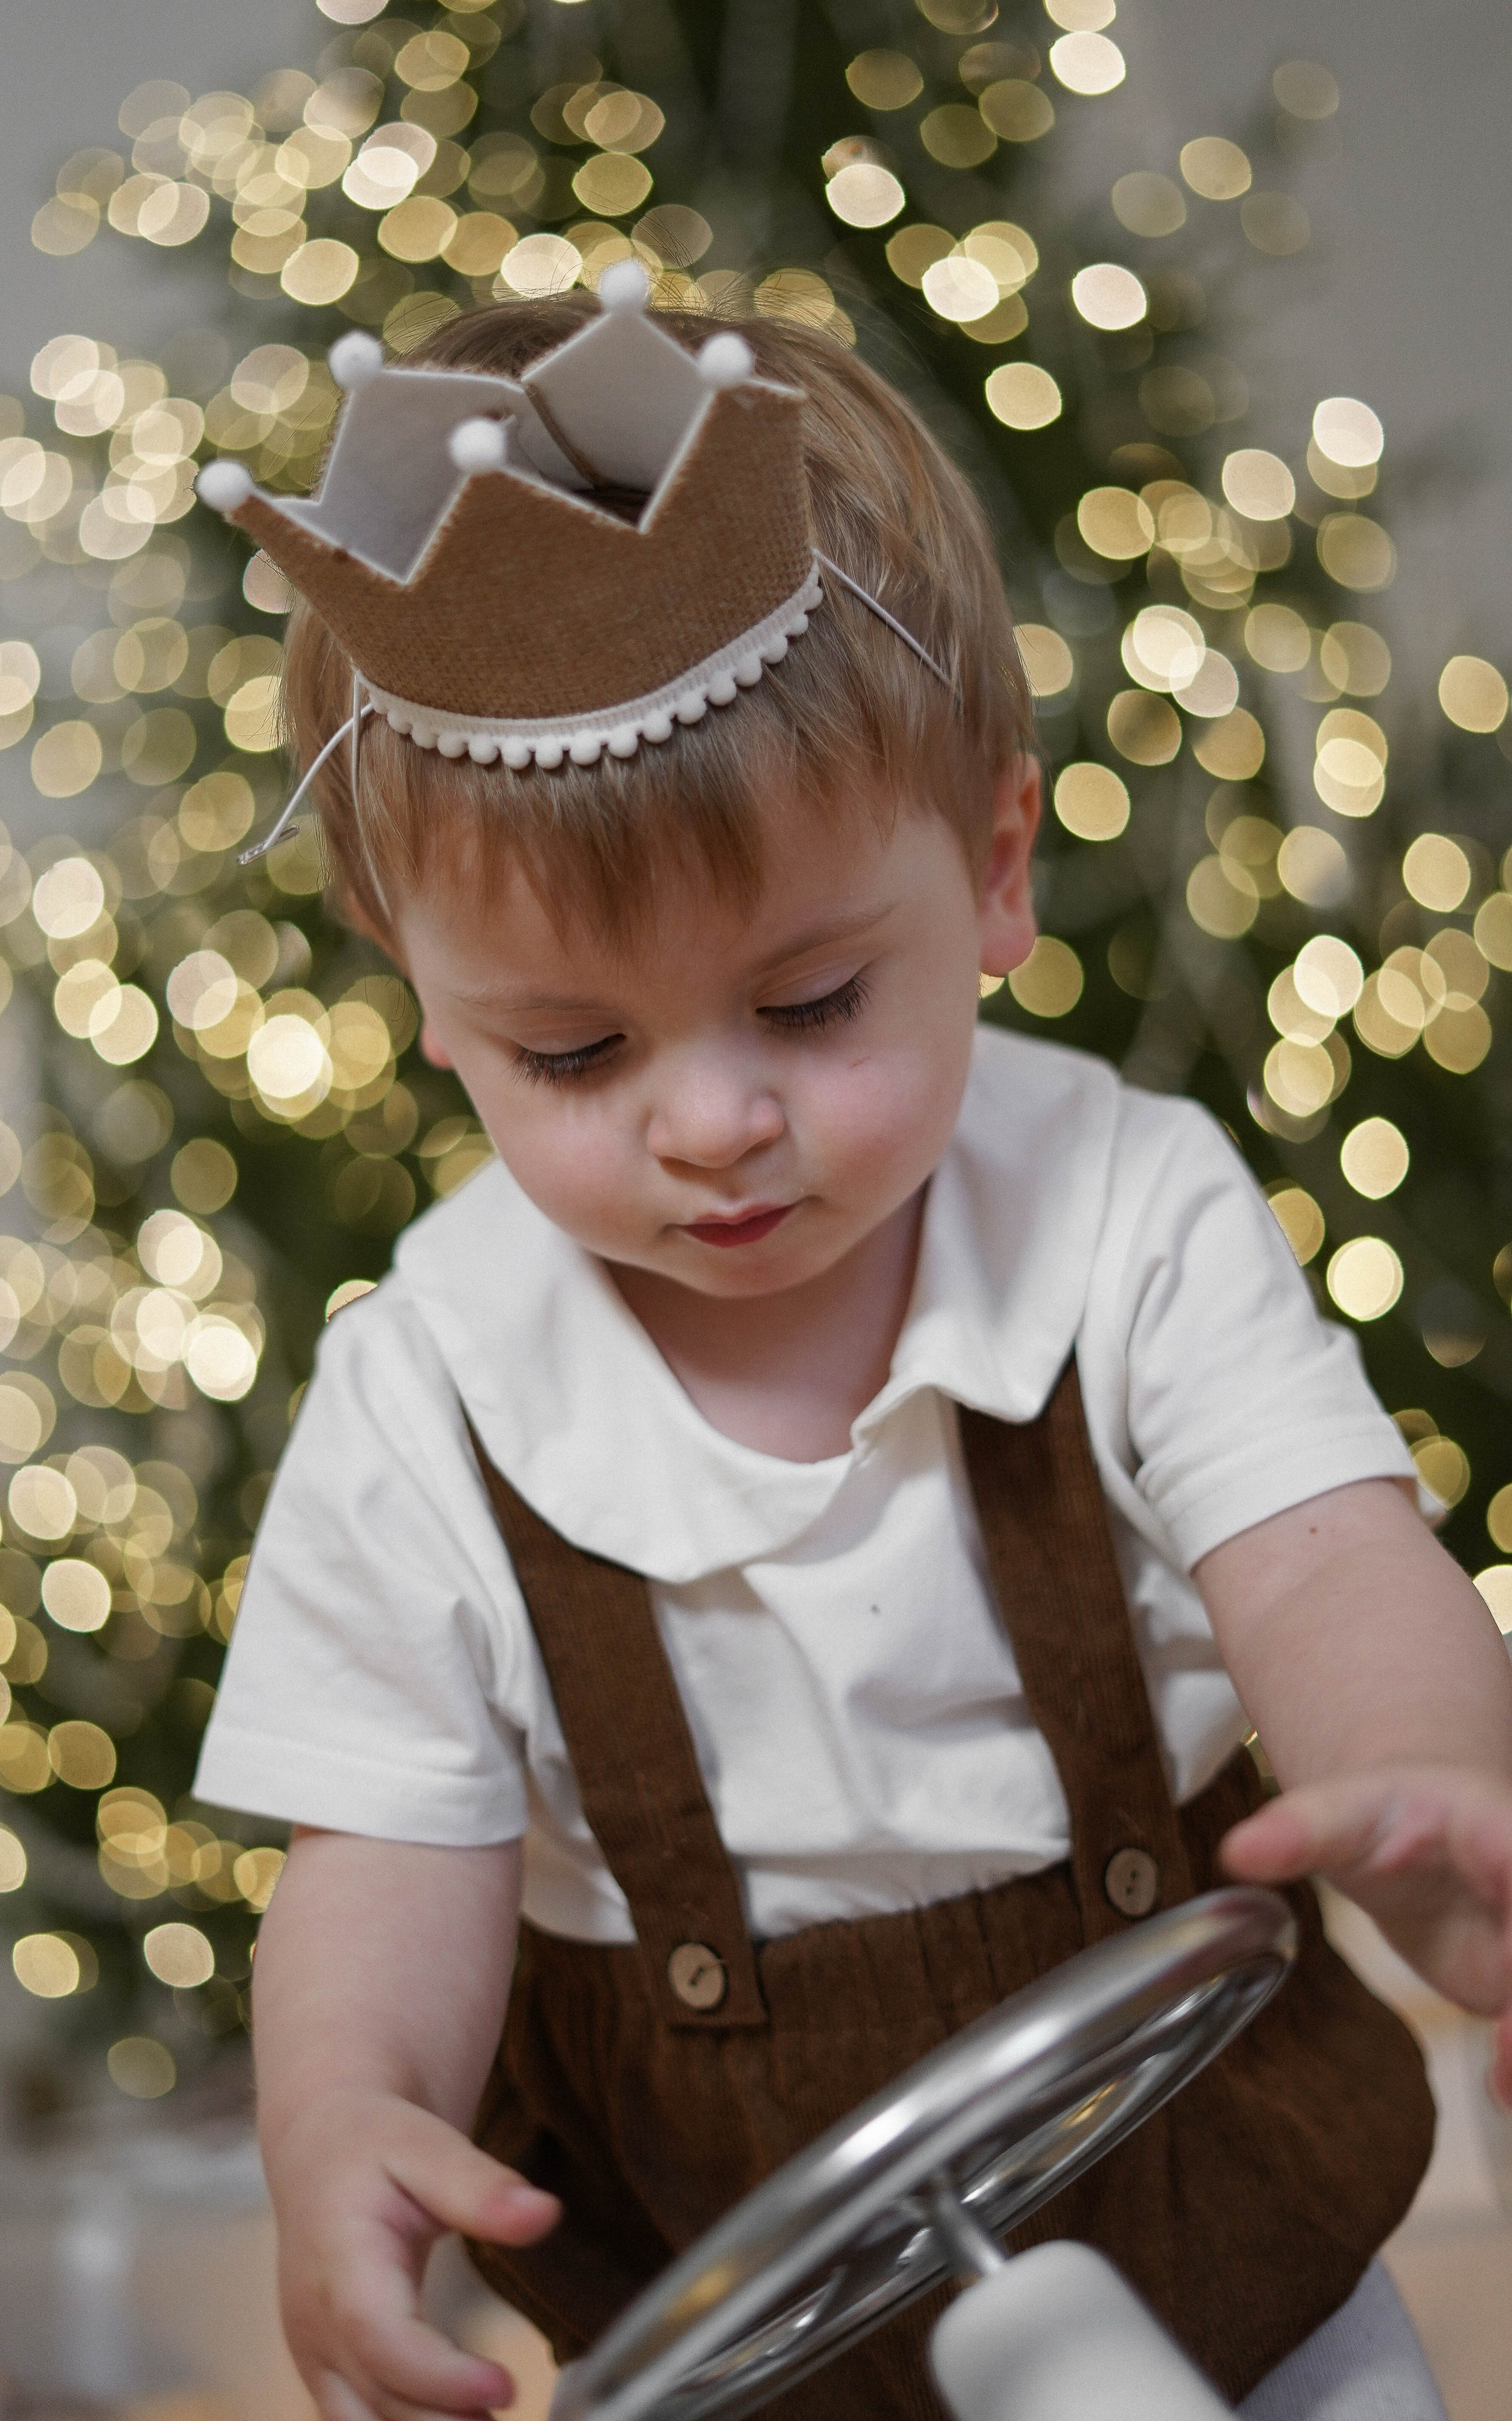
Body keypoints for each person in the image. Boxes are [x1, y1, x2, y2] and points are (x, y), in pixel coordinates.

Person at [194, 275, 1511, 2421]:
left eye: (810, 1007)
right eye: (575, 1049)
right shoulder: (431, 1387)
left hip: (1208, 2206)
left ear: (995, 874)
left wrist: (1435, 1786)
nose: (713, 1121)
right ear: (428, 1007)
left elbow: (1332, 1565)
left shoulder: (1121, 1208)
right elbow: (386, 1854)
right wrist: (343, 2116)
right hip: (738, 2298)